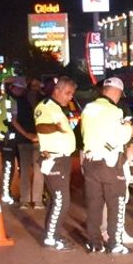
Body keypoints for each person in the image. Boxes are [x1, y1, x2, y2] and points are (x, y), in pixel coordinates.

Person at [80, 77, 133, 254]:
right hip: (110, 163)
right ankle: (115, 243)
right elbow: (123, 136)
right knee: (116, 203)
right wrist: (128, 127)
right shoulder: (114, 111)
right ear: (115, 92)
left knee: (94, 205)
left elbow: (83, 133)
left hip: (90, 162)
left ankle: (94, 243)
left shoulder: (88, 109)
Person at [33, 76, 78, 251]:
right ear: (57, 90)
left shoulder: (59, 108)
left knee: (57, 200)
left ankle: (52, 234)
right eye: (67, 93)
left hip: (62, 159)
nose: (69, 97)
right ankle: (52, 237)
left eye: (71, 94)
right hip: (54, 159)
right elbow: (41, 127)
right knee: (61, 200)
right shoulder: (45, 107)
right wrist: (57, 127)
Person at [9, 76, 39, 209]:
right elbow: (13, 121)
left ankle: (37, 200)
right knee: (25, 171)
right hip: (24, 140)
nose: (20, 91)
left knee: (38, 171)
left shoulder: (32, 100)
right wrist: (26, 134)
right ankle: (25, 200)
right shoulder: (14, 102)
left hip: (36, 139)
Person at [0, 77, 20, 204]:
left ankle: (7, 192)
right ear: (12, 88)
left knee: (8, 167)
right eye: (19, 88)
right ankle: (5, 194)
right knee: (8, 167)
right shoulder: (10, 101)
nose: (21, 91)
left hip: (2, 138)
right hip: (7, 138)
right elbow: (10, 121)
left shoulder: (2, 99)